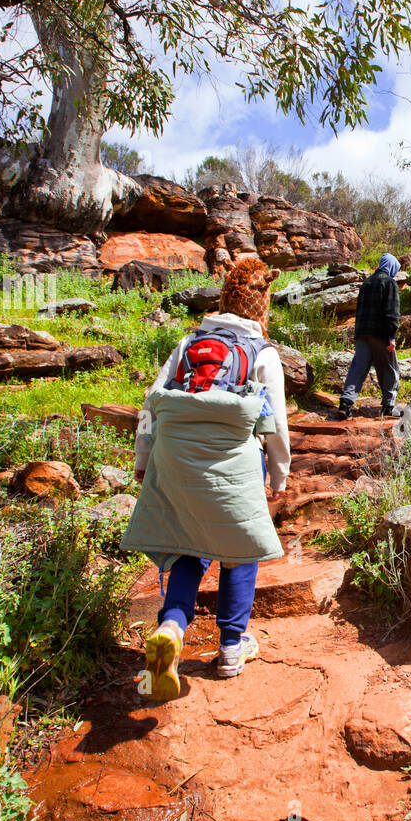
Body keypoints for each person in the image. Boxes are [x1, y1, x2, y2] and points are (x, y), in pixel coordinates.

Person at [122, 256, 290, 700]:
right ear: (263, 300)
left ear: (225, 296)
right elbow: (276, 425)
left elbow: (151, 403)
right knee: (238, 550)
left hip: (174, 460)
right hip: (235, 464)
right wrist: (280, 476)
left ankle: (173, 628)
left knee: (185, 544)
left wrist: (143, 459)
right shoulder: (262, 352)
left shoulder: (188, 343)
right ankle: (232, 648)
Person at [334, 253, 402, 420]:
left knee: (358, 368)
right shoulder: (389, 282)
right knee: (389, 369)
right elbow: (392, 312)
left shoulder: (367, 282)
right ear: (391, 266)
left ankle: (345, 404)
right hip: (380, 334)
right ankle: (388, 406)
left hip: (362, 333)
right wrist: (392, 336)